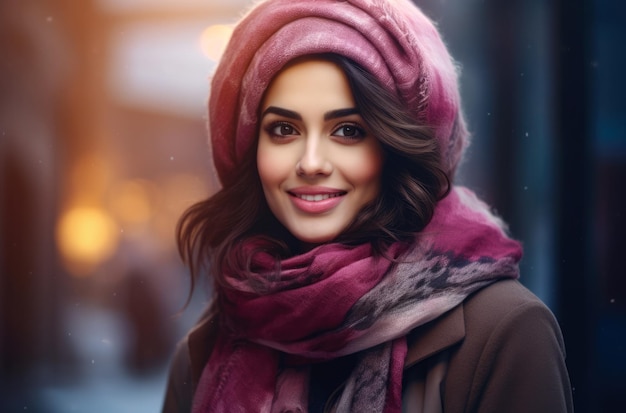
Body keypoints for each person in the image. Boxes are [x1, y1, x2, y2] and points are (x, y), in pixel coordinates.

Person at [162, 0, 573, 411]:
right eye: (283, 129)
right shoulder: (209, 348)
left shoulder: (504, 334)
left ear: (397, 147)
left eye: (347, 130)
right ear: (251, 146)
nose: (311, 163)